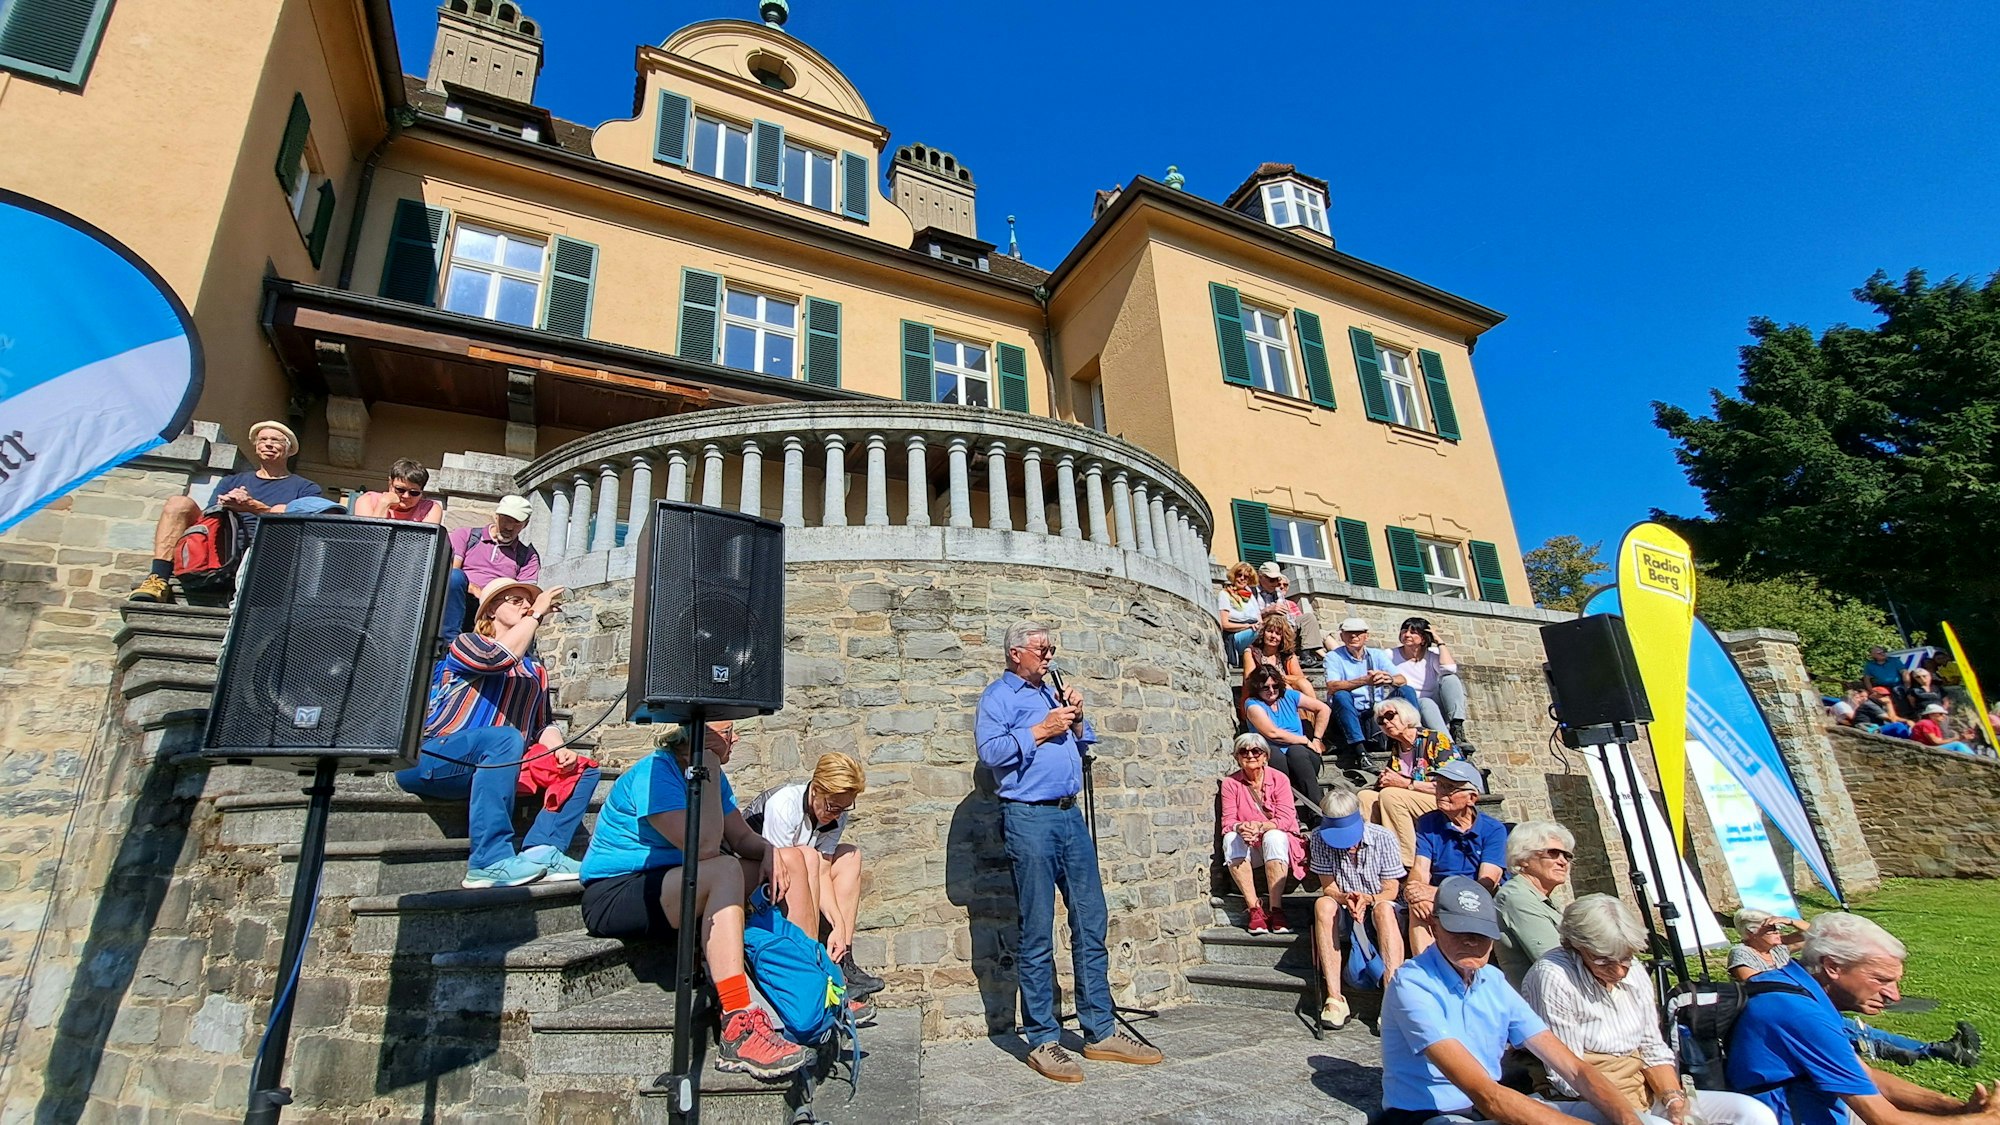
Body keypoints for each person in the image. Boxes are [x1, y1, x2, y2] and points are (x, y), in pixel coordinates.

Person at [976, 621, 1163, 1083]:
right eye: (1042, 648)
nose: (1049, 655)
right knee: (1038, 928)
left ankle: (1099, 1030)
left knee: (1090, 918)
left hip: (1069, 816)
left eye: (1052, 648)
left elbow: (1083, 744)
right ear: (1015, 652)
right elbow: (989, 753)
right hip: (1029, 818)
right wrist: (1039, 731)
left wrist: (1077, 721)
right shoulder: (997, 698)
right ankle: (1043, 1040)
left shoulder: (1052, 691)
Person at [577, 720, 811, 1080]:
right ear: (702, 733)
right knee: (725, 870)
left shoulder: (713, 775)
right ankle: (738, 1024)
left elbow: (740, 837)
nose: (736, 738)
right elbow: (703, 847)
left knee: (790, 860)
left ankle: (808, 985)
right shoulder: (655, 773)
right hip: (617, 889)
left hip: (681, 882)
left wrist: (769, 851)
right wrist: (711, 770)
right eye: (728, 729)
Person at [1378, 874, 1647, 1125]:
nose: (1472, 942)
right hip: (1427, 1116)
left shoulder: (1493, 980)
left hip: (1482, 1110)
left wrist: (1628, 1119)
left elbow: (1574, 1068)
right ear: (1434, 927)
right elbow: (1486, 1095)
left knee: (1649, 1122)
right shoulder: (1412, 984)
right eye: (1459, 932)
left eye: (1481, 933)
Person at [394, 579, 600, 888]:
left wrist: (558, 748)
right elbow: (497, 660)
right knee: (504, 737)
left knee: (582, 769)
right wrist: (536, 614)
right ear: (490, 611)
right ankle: (488, 860)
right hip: (433, 760)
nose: (525, 605)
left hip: (498, 766)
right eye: (515, 600)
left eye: (526, 602)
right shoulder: (467, 644)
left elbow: (543, 723)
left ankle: (542, 850)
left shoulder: (535, 671)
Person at [1522, 895, 1777, 1125]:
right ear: (1574, 946)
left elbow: (1652, 1047)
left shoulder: (1633, 970)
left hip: (1644, 1088)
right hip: (1585, 1099)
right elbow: (1567, 1077)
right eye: (1603, 961)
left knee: (1752, 1113)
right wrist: (1627, 1086)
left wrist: (1674, 1101)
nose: (1619, 971)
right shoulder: (1552, 976)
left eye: (1626, 958)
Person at [1729, 912, 2000, 1125]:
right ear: (1833, 966)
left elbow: (1867, 1076)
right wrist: (1983, 1120)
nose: (1894, 996)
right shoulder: (1800, 1013)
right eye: (1881, 980)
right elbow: (1884, 1118)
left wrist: (1957, 1109)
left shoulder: (1794, 986)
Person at [1729, 910, 1978, 1068]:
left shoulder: (1779, 948)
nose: (1777, 931)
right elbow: (1754, 983)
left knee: (1859, 1028)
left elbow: (1820, 937)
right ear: (1751, 933)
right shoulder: (1741, 953)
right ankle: (1919, 1051)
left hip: (1805, 1000)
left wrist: (1789, 920)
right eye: (1770, 928)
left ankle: (1936, 1049)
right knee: (1849, 1033)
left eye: (1777, 928)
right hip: (1785, 1008)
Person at [129, 420, 322, 603]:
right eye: (262, 440)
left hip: (270, 552)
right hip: (223, 545)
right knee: (178, 503)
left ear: (289, 450)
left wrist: (252, 506)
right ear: (256, 446)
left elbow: (302, 525)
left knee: (284, 513)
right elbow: (208, 518)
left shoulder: (305, 488)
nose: (268, 444)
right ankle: (158, 578)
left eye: (276, 440)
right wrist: (225, 503)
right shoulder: (232, 481)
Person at [742, 751, 884, 999]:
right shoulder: (784, 804)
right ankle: (814, 963)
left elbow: (824, 871)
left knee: (850, 857)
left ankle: (842, 959)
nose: (837, 814)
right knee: (805, 855)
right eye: (833, 806)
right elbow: (781, 869)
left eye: (844, 807)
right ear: (816, 789)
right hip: (758, 877)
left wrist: (839, 925)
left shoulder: (836, 814)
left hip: (802, 871)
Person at [1309, 783, 1406, 1030]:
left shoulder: (1383, 837)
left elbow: (1391, 889)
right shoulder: (1319, 839)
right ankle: (1335, 998)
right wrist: (1346, 898)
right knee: (1323, 905)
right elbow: (1328, 887)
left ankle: (1391, 999)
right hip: (1345, 905)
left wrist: (1369, 899)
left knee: (1384, 910)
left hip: (1380, 905)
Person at [1408, 760, 1508, 956]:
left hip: (1477, 900)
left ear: (1472, 798)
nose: (1441, 792)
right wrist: (1415, 894)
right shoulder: (1428, 823)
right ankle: (1426, 974)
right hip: (1440, 900)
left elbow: (1487, 884)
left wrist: (1434, 893)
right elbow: (1420, 869)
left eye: (1450, 788)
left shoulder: (1493, 830)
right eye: (1439, 785)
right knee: (1418, 908)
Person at [1359, 697, 1465, 868]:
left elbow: (1452, 786)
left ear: (1406, 715)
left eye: (1390, 715)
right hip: (1409, 801)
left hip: (1443, 800)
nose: (1386, 722)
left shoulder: (1435, 739)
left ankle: (1404, 863)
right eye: (1381, 720)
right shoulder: (1397, 748)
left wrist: (1406, 784)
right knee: (1366, 797)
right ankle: (1375, 858)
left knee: (1391, 795)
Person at [1219, 733, 1304, 936]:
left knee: (1274, 835)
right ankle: (1255, 909)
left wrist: (1260, 826)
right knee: (1230, 838)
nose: (1250, 755)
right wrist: (1241, 828)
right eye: (1243, 751)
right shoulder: (1230, 784)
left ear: (1265, 756)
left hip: (1279, 844)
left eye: (1255, 751)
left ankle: (1276, 909)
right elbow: (1227, 822)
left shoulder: (1279, 779)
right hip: (1251, 846)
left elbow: (1287, 820)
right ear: (1237, 757)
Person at [442, 494, 541, 650]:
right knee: (454, 578)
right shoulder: (466, 536)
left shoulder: (528, 556)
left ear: (525, 524)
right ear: (496, 516)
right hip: (464, 596)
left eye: (516, 522)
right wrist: (475, 589)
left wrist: (491, 595)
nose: (509, 527)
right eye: (506, 519)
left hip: (499, 604)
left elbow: (525, 594)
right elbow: (450, 571)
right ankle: (450, 642)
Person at [1324, 617, 1421, 770]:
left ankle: (1416, 736)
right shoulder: (1333, 657)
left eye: (1358, 633)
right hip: (1350, 711)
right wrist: (1364, 681)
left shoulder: (1377, 655)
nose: (1354, 636)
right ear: (1342, 636)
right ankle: (1361, 753)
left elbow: (1402, 679)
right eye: (1349, 633)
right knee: (1341, 695)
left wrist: (1388, 679)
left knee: (1405, 691)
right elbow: (1332, 686)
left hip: (1376, 709)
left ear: (1366, 636)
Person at [1494, 821, 1575, 988]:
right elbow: (1556, 962)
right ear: (1523, 858)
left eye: (1567, 856)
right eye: (1553, 853)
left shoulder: (1544, 899)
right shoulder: (1517, 898)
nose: (1563, 861)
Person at [1242, 664, 1334, 810]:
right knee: (1275, 755)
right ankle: (1286, 812)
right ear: (1257, 688)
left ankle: (1316, 810)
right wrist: (1304, 739)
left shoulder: (1289, 696)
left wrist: (1317, 739)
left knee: (1297, 752)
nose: (1272, 691)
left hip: (1301, 756)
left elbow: (1323, 708)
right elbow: (1273, 733)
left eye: (1275, 686)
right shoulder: (1252, 704)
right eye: (1266, 687)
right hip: (1274, 754)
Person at [1394, 617, 1469, 741]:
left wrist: (1440, 642)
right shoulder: (1390, 655)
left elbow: (1449, 669)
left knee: (1450, 679)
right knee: (1425, 702)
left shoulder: (1432, 654)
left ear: (1423, 638)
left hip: (1437, 710)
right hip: (1411, 709)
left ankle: (1457, 727)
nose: (1406, 635)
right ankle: (1448, 745)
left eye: (1413, 632)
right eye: (1404, 631)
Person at [1241, 607, 1316, 702]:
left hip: (1286, 692)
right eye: (1270, 631)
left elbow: (1300, 678)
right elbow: (1249, 680)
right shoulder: (1251, 652)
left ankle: (1314, 712)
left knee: (1304, 684)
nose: (1273, 636)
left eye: (1278, 633)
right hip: (1260, 695)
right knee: (1287, 687)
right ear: (1263, 633)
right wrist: (1279, 680)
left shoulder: (1288, 655)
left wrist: (1281, 679)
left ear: (1283, 637)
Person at [352, 458, 444, 523]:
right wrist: (384, 504)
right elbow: (367, 538)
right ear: (390, 483)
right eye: (400, 489)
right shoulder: (368, 500)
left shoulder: (429, 508)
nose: (406, 496)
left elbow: (425, 544)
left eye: (414, 493)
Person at [1217, 562, 1263, 661]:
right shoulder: (1225, 594)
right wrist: (1247, 626)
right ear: (1234, 576)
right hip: (1235, 635)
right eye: (1239, 575)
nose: (1242, 578)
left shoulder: (1250, 597)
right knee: (1259, 632)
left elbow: (1260, 620)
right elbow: (1225, 624)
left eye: (1246, 577)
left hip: (1254, 629)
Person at [1909, 703, 1976, 755]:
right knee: (1957, 745)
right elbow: (1936, 742)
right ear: (1930, 715)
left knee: (1959, 744)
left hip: (1929, 749)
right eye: (1940, 714)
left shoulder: (1932, 724)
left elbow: (1940, 742)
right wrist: (1958, 738)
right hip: (1925, 750)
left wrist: (1962, 737)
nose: (1943, 716)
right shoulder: (1926, 723)